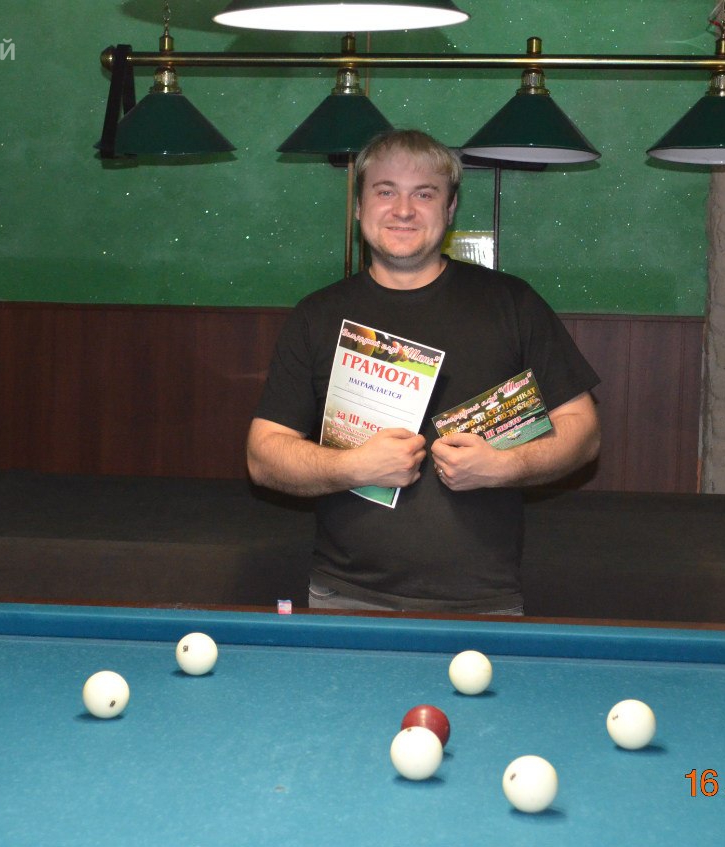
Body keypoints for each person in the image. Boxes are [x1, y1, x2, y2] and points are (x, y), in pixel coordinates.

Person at [247, 129, 600, 614]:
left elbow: (583, 431)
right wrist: (355, 467)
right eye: (385, 191)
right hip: (346, 598)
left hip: (484, 602)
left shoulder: (512, 304)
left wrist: (503, 467)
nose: (403, 210)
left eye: (424, 194)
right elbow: (263, 456)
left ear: (450, 209)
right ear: (358, 207)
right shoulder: (317, 315)